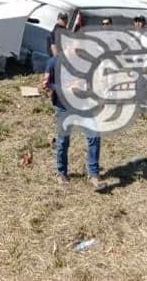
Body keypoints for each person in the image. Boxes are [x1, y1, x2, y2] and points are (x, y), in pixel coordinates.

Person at [42, 36, 105, 189]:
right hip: (63, 107)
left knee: (94, 136)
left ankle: (94, 174)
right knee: (63, 141)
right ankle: (61, 173)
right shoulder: (53, 62)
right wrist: (63, 88)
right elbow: (45, 84)